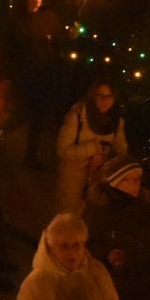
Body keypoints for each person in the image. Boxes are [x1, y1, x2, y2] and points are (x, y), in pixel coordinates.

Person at [82, 155, 150, 300]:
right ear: (115, 180)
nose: (135, 185)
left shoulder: (145, 210)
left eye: (138, 179)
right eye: (129, 180)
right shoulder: (99, 211)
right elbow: (86, 250)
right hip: (113, 290)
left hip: (140, 289)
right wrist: (107, 256)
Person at [53, 80, 128, 214]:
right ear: (92, 96)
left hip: (98, 182)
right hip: (72, 180)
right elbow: (62, 151)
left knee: (91, 221)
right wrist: (92, 148)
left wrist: (103, 156)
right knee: (67, 220)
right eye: (100, 95)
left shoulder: (117, 122)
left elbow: (121, 153)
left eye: (109, 96)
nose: (104, 100)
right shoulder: (77, 116)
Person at [12, 0, 64, 169]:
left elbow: (59, 43)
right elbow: (11, 49)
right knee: (20, 114)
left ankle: (30, 157)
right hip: (23, 77)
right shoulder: (17, 21)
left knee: (37, 118)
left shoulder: (49, 18)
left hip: (43, 77)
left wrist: (69, 36)